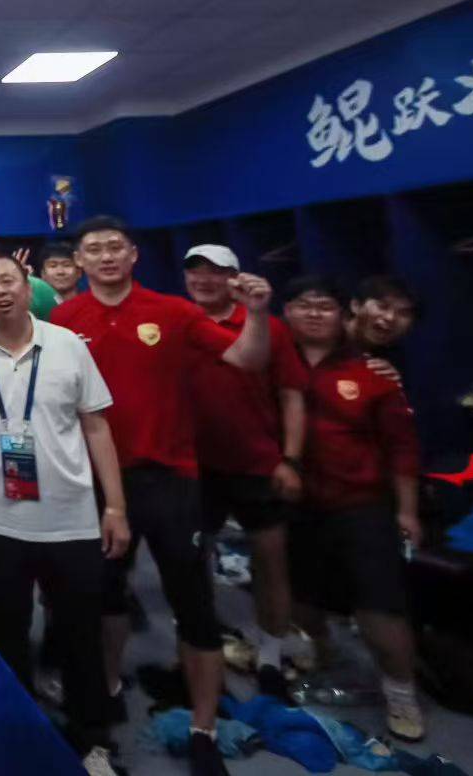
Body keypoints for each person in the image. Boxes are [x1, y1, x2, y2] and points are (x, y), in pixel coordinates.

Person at [51, 216, 274, 776]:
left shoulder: (173, 311)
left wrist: (258, 313)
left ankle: (204, 728)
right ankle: (107, 689)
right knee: (105, 598)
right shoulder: (63, 319)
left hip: (170, 478)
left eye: (115, 247)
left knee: (192, 603)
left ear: (134, 255)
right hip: (96, 481)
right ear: (79, 261)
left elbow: (246, 359)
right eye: (94, 249)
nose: (106, 256)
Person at [0, 255, 130, 775]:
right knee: (8, 629)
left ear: (28, 287)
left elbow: (96, 426)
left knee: (79, 631)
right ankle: (21, 730)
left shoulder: (67, 345)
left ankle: (92, 739)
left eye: (8, 280)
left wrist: (115, 505)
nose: (0, 291)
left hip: (71, 516)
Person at [281, 275, 424, 742]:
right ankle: (321, 654)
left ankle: (401, 694)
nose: (315, 314)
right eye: (305, 305)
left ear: (344, 315)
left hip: (361, 505)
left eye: (325, 306)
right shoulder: (274, 363)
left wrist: (407, 512)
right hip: (297, 502)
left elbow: (402, 450)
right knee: (302, 596)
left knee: (379, 606)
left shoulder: (374, 373)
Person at [183, 245, 309, 700]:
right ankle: (202, 646)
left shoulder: (268, 327)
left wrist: (290, 459)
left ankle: (271, 656)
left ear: (235, 278)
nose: (204, 280)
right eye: (195, 272)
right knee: (191, 561)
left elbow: (292, 395)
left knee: (270, 560)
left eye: (216, 272)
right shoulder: (179, 324)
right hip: (195, 465)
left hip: (258, 462)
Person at [347, 275, 418, 362]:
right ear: (356, 305)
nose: (390, 317)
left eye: (403, 313)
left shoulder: (394, 359)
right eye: (382, 307)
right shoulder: (332, 339)